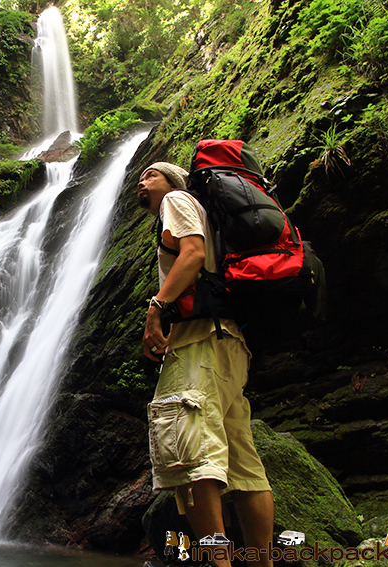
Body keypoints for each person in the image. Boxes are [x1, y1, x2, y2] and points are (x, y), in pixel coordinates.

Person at [138, 162, 274, 567]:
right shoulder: (206, 212)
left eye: (151, 175)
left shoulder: (178, 201)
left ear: (173, 182)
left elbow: (192, 253)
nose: (142, 182)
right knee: (242, 464)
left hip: (198, 343)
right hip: (229, 344)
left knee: (192, 457)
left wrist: (156, 308)